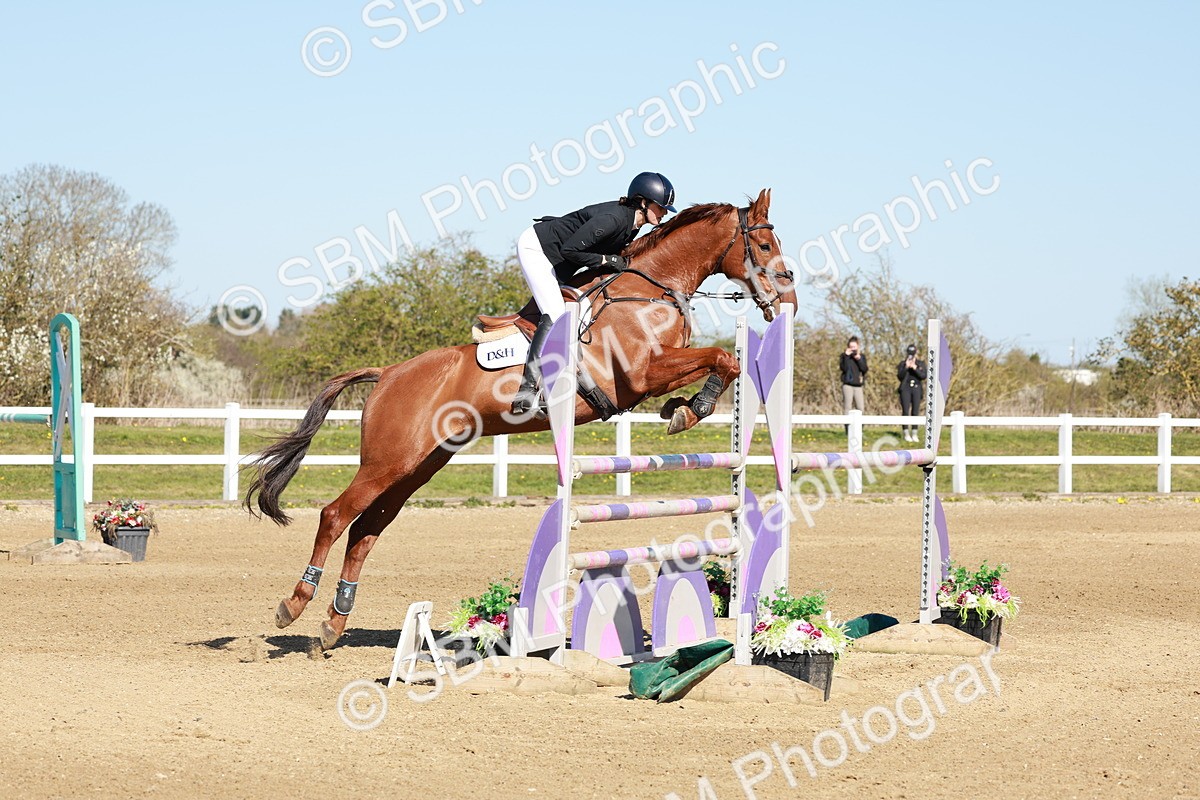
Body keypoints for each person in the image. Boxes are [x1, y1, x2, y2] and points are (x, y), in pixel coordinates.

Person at [511, 172, 677, 414]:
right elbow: (571, 250)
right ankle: (526, 391)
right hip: (538, 249)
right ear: (643, 202)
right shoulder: (614, 218)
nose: (663, 213)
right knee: (556, 313)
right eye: (660, 207)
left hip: (559, 261)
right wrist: (606, 259)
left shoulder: (632, 226)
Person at [896, 343, 927, 442]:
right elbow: (900, 376)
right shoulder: (902, 363)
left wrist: (915, 367)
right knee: (905, 411)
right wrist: (906, 367)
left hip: (916, 388)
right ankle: (906, 433)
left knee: (915, 411)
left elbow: (923, 376)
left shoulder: (920, 363)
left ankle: (914, 433)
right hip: (905, 388)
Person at [839, 336, 868, 431]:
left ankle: (860, 429)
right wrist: (847, 356)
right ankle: (848, 430)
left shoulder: (862, 357)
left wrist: (859, 359)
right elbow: (844, 368)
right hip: (847, 385)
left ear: (858, 347)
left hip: (858, 385)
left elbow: (864, 369)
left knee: (861, 407)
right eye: (851, 347)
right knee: (848, 406)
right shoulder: (844, 356)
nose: (853, 349)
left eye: (854, 347)